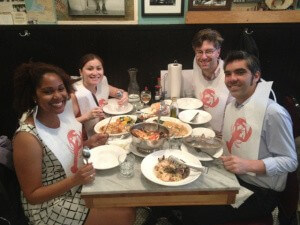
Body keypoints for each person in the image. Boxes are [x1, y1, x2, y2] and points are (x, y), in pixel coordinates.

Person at [12, 62, 135, 225]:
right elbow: (33, 195)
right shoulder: (27, 138)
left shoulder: (59, 115)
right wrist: (74, 180)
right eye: (48, 91)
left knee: (125, 197)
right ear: (33, 96)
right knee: (125, 214)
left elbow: (62, 151)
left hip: (76, 183)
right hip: (50, 204)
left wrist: (88, 143)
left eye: (61, 88)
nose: (57, 96)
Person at [73, 53, 128, 138]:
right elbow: (65, 125)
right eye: (90, 69)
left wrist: (123, 95)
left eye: (99, 68)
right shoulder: (75, 94)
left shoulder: (101, 82)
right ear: (81, 72)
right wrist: (87, 117)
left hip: (106, 131)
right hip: (86, 140)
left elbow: (116, 92)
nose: (95, 73)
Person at [191, 28, 232, 135]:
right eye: (199, 52)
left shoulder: (230, 74)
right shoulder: (196, 65)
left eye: (209, 51)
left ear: (218, 52)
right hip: (201, 132)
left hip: (224, 135)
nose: (203, 57)